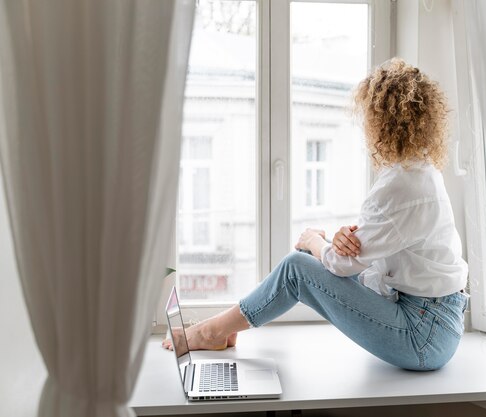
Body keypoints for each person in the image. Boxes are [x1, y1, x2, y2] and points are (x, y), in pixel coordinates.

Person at [163, 58, 469, 371]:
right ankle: (221, 330)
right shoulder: (420, 172)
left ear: (380, 121)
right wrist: (340, 242)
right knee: (305, 260)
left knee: (297, 266)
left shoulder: (400, 185)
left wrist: (315, 241)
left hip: (423, 335)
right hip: (435, 325)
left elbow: (342, 265)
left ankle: (211, 331)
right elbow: (377, 251)